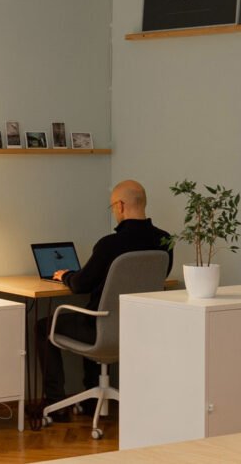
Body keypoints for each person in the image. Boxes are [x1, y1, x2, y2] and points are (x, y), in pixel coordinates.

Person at [36, 179, 172, 421]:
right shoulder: (164, 240)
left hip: (103, 330)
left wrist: (65, 275)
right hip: (141, 329)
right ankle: (91, 401)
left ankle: (56, 403)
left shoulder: (110, 244)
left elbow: (81, 284)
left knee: (45, 326)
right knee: (96, 313)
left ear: (120, 206)